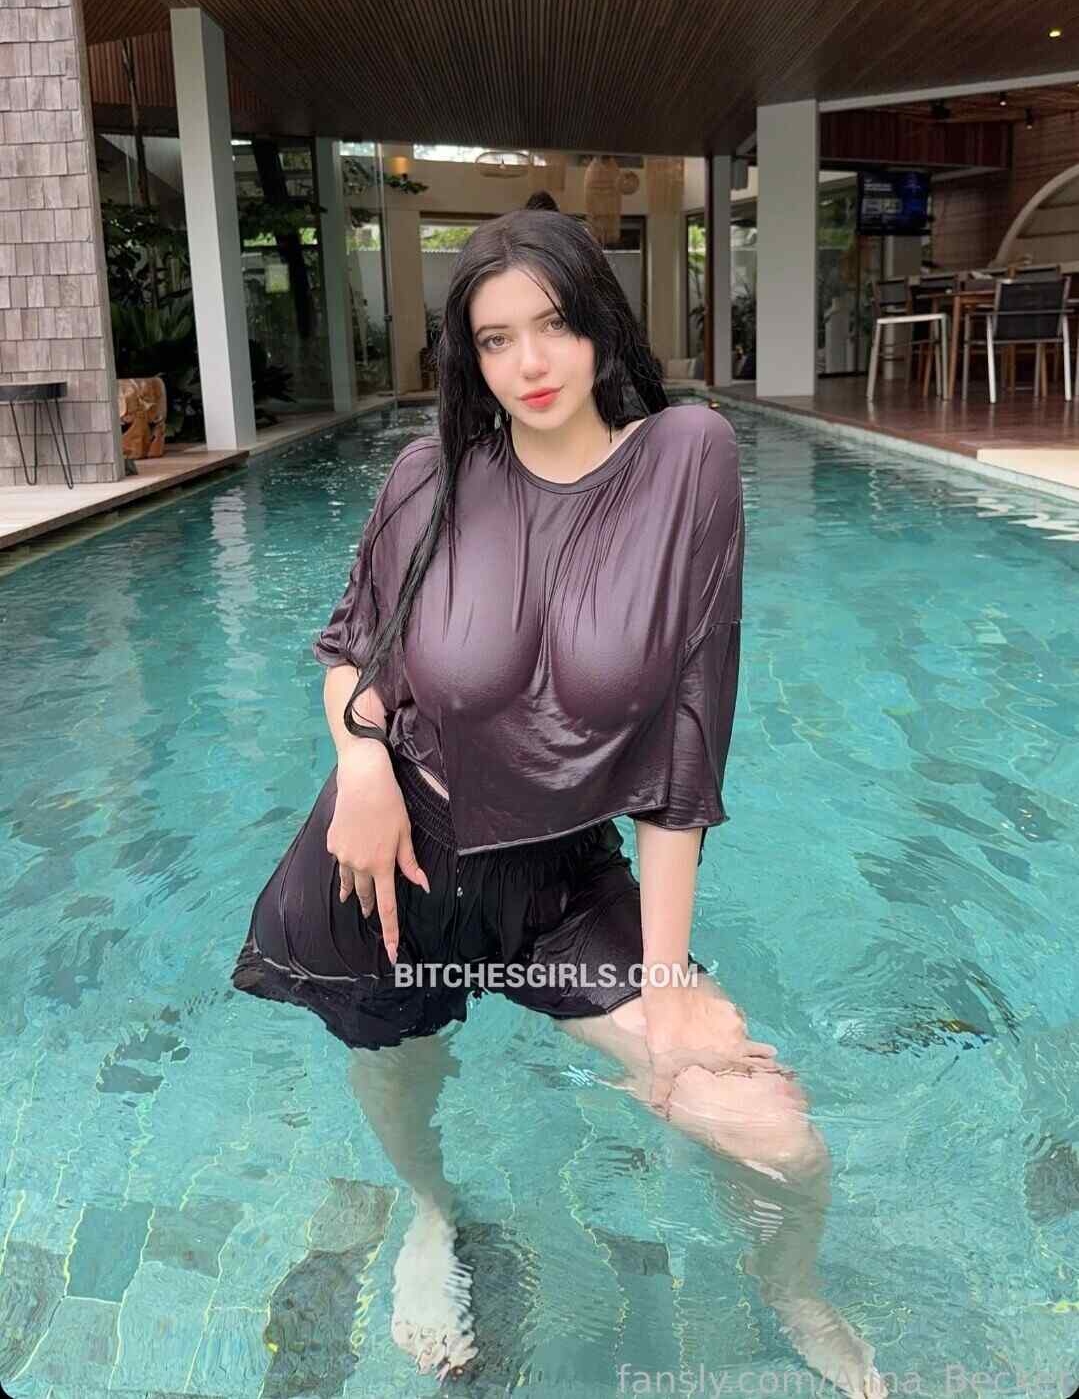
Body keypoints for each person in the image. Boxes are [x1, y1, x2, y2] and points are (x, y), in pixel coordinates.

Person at [231, 208, 887, 1398]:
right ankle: (429, 1217)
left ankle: (790, 1289)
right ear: (467, 357)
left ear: (599, 324)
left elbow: (687, 737)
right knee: (398, 1066)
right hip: (388, 865)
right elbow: (350, 650)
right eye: (494, 341)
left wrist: (666, 980)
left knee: (771, 1135)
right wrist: (361, 766)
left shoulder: (685, 458)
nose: (528, 364)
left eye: (551, 326)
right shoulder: (430, 473)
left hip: (559, 883)